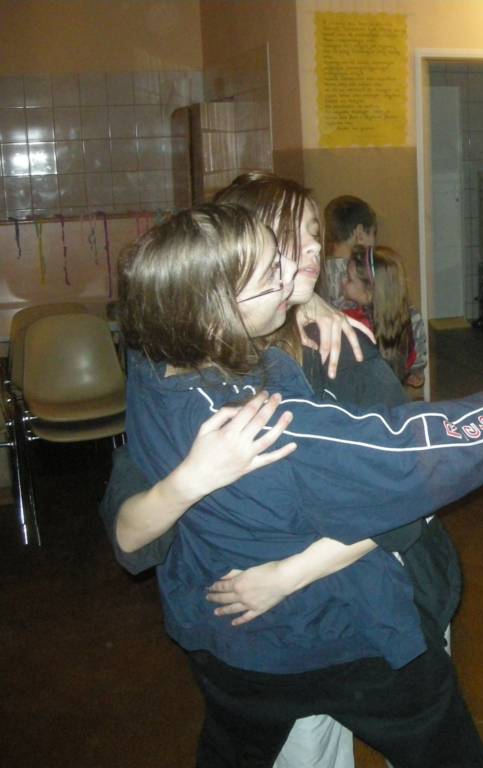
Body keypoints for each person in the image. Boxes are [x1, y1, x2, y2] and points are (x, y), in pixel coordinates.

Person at [118, 202, 483, 766]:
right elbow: (420, 451)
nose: (292, 274)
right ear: (215, 312)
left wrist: (307, 299)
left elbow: (129, 530)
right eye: (271, 274)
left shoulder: (151, 361)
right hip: (337, 639)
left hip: (229, 649)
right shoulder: (262, 426)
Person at [103, 172, 409, 768]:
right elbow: (130, 527)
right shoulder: (168, 363)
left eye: (315, 233)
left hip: (367, 603)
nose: (311, 249)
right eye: (284, 240)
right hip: (258, 638)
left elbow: (405, 505)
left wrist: (286, 576)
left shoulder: (341, 352)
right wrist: (190, 481)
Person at [340, 244, 428, 389]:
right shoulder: (343, 315)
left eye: (349, 279)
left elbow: (417, 369)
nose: (343, 282)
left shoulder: (349, 321)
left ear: (370, 291)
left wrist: (415, 374)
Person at [319, 195, 377, 309]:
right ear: (360, 234)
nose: (374, 242)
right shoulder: (362, 276)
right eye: (373, 233)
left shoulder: (318, 271)